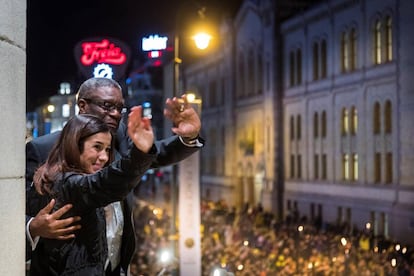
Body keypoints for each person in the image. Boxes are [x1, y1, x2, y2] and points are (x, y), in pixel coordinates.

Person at [26, 77, 204, 274]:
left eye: (120, 108)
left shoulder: (119, 138)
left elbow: (155, 153)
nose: (116, 114)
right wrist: (32, 227)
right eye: (108, 106)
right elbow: (15, 209)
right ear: (82, 105)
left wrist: (188, 138)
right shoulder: (42, 150)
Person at [29, 108, 156, 275]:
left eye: (107, 149)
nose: (104, 156)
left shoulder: (63, 177)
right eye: (97, 147)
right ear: (75, 145)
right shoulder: (67, 183)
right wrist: (139, 153)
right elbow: (106, 183)